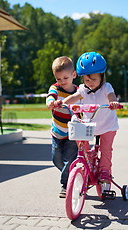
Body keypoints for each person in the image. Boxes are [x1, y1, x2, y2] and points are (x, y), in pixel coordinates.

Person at [61, 52, 121, 188]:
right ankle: (87, 163)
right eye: (86, 80)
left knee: (106, 150)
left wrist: (113, 103)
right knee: (81, 141)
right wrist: (62, 102)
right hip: (89, 125)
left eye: (93, 79)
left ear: (101, 76)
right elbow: (74, 97)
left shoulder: (107, 87)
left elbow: (111, 96)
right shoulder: (83, 89)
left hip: (107, 126)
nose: (90, 83)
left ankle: (105, 171)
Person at [46, 56, 79, 198]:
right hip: (58, 132)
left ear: (74, 75)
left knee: (69, 159)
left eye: (65, 78)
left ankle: (66, 185)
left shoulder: (79, 91)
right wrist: (51, 102)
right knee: (57, 159)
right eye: (59, 79)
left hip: (74, 132)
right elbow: (50, 96)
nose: (62, 82)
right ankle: (71, 175)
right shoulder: (56, 88)